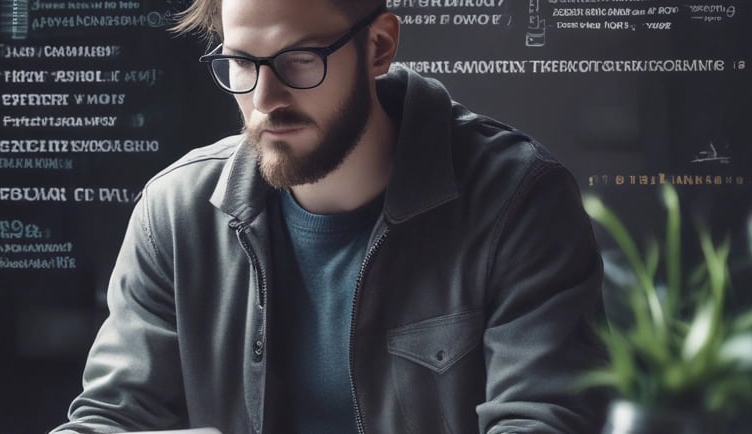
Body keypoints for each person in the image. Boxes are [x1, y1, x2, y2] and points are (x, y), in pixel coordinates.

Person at [51, 0, 608, 432]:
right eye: (241, 61)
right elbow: (114, 417)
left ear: (379, 46)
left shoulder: (519, 201)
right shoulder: (174, 214)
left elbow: (544, 418)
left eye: (299, 59)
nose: (265, 98)